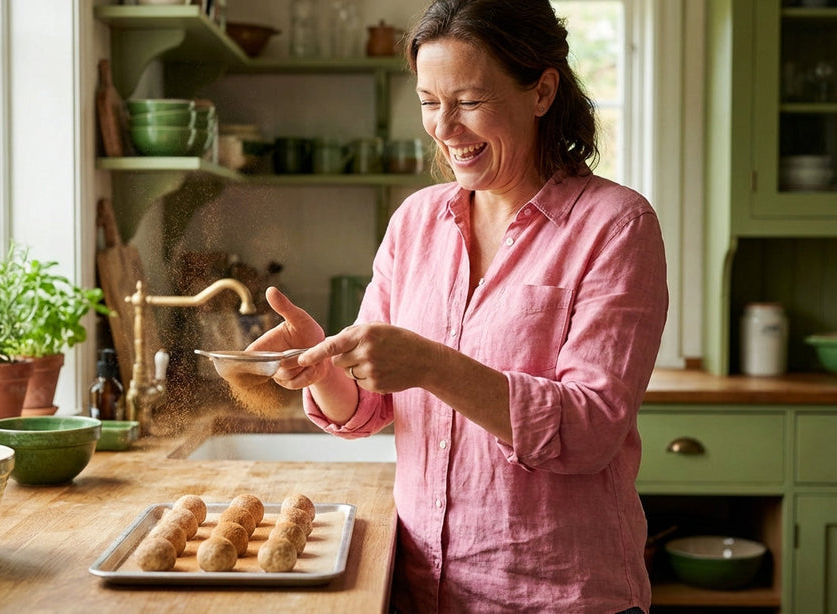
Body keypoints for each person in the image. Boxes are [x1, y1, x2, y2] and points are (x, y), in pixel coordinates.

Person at [247, 0, 667, 611]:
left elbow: (589, 429)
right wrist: (325, 364)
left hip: (560, 595)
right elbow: (369, 409)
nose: (444, 128)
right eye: (428, 102)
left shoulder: (615, 225)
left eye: (469, 102)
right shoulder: (417, 221)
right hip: (425, 591)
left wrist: (431, 365)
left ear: (542, 91)